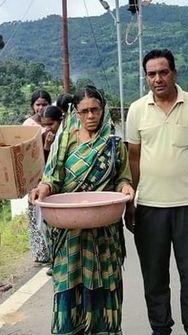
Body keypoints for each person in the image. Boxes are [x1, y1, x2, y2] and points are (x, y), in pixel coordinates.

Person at [29, 85, 134, 334]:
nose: (90, 116)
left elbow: (122, 177)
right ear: (75, 112)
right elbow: (52, 176)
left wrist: (126, 187)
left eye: (95, 110)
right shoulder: (65, 140)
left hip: (104, 229)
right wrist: (43, 188)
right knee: (68, 283)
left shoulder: (113, 143)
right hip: (69, 232)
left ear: (103, 109)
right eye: (84, 111)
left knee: (105, 283)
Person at [126, 49, 188, 335]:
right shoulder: (136, 110)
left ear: (174, 72)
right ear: (146, 76)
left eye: (163, 72)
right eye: (151, 74)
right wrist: (131, 202)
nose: (158, 78)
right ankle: (160, 329)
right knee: (155, 276)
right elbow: (133, 157)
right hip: (149, 206)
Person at [26, 105, 65, 266]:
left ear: (60, 121)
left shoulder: (65, 137)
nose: (48, 128)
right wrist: (47, 146)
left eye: (51, 124)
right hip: (45, 185)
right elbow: (42, 164)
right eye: (44, 125)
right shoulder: (43, 137)